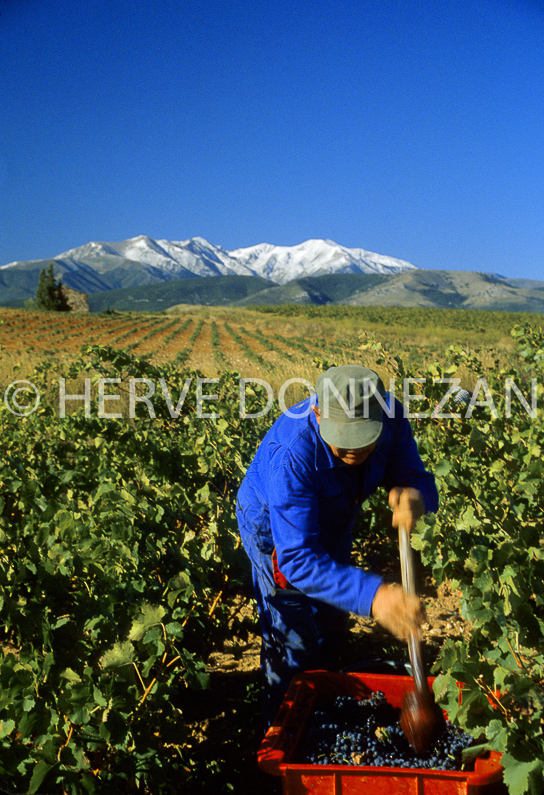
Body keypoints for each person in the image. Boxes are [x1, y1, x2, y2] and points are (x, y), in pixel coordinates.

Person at [236, 364, 439, 727]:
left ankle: (326, 711)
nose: (354, 450)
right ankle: (286, 736)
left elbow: (413, 476)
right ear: (317, 413)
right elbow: (297, 559)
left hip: (336, 516)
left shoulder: (391, 416)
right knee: (293, 642)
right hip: (274, 532)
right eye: (342, 437)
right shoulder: (293, 455)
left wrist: (415, 495)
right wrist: (375, 597)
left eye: (364, 436)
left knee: (331, 621)